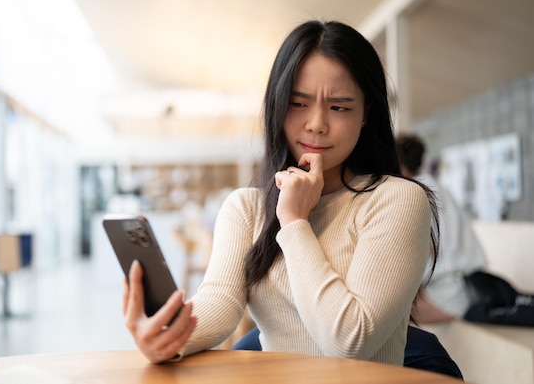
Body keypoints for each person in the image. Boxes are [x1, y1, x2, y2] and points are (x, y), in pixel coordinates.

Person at [123, 20, 439, 366]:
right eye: (298, 103)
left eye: (339, 107)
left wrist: (293, 222)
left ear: (367, 114)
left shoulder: (397, 201)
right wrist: (168, 335)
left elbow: (350, 342)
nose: (316, 123)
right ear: (276, 105)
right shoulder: (245, 208)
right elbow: (219, 304)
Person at [396, 133, 486, 323]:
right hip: (462, 285)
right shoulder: (436, 188)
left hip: (449, 293)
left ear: (398, 162)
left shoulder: (415, 193)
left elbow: (421, 251)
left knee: (386, 319)